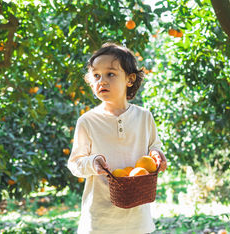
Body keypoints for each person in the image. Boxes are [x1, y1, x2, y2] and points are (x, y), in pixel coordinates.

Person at [67, 42, 167, 234]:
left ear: (130, 79)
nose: (101, 81)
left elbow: (154, 146)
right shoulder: (87, 121)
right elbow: (75, 164)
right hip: (100, 220)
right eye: (96, 75)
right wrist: (92, 162)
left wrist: (157, 154)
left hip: (137, 218)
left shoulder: (144, 117)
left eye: (110, 74)